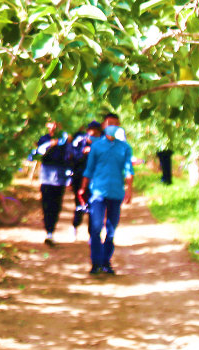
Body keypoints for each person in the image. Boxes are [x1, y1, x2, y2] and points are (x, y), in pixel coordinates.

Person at [79, 116, 134, 275]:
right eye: (109, 124)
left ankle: (106, 261)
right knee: (95, 228)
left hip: (116, 192)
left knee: (111, 229)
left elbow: (129, 169)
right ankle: (95, 262)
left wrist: (129, 189)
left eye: (115, 124)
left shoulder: (124, 148)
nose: (112, 126)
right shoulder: (96, 147)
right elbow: (89, 169)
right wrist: (83, 187)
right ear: (104, 125)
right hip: (97, 192)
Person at [34, 121, 69, 246]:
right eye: (50, 123)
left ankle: (51, 230)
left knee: (56, 205)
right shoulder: (44, 139)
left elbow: (68, 157)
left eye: (56, 124)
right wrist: (50, 144)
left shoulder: (64, 140)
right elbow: (38, 153)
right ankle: (48, 231)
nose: (53, 126)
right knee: (46, 204)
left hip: (59, 178)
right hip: (46, 177)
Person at [66, 121, 100, 241]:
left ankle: (92, 234)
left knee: (94, 205)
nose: (93, 133)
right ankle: (75, 226)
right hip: (79, 179)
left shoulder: (102, 143)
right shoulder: (79, 142)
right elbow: (72, 158)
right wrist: (83, 153)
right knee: (79, 204)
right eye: (91, 130)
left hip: (96, 180)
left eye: (96, 131)